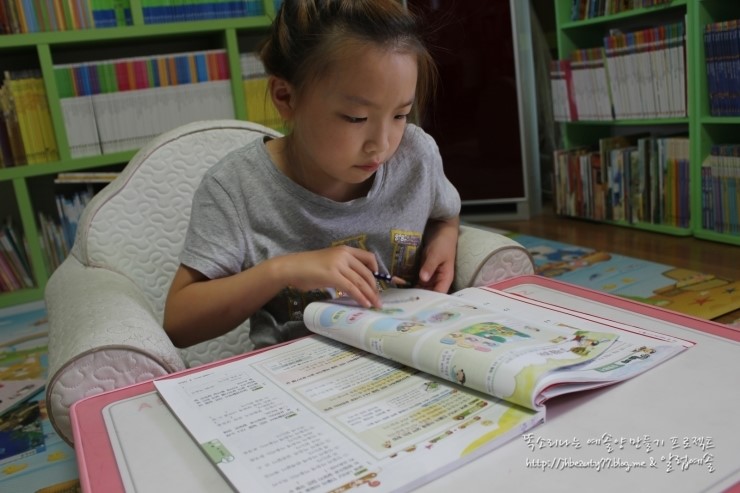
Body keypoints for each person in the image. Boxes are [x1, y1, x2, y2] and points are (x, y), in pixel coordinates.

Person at [163, 0, 461, 350]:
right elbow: (178, 324)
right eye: (356, 118)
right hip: (296, 370)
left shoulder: (415, 156)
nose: (381, 145)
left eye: (400, 115)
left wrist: (445, 237)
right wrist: (282, 270)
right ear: (285, 97)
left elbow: (445, 212)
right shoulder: (235, 187)